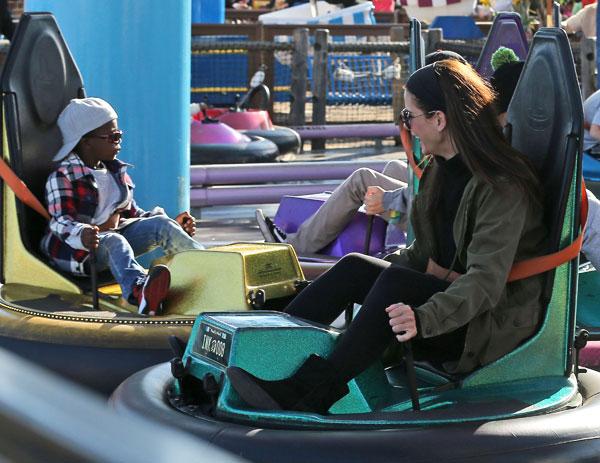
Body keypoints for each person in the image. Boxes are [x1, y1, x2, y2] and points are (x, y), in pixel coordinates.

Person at [227, 59, 548, 413]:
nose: (405, 124)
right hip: (450, 302)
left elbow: (485, 283)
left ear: (439, 120)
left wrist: (424, 318)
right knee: (355, 268)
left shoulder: (502, 187)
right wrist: (376, 276)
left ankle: (311, 392)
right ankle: (261, 352)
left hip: (485, 324)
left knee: (395, 284)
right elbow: (421, 253)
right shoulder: (439, 171)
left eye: (410, 115)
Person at [256, 50, 468, 254]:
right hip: (441, 207)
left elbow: (437, 187)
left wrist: (385, 200)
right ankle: (389, 244)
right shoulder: (466, 121)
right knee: (393, 168)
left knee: (362, 180)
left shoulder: (447, 131)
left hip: (442, 220)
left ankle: (297, 245)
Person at [42, 98, 204, 316]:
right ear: (86, 141)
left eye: (119, 136)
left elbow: (132, 213)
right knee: (114, 241)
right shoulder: (63, 177)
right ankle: (139, 291)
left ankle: (205, 268)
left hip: (111, 238)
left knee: (161, 225)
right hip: (79, 251)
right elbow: (60, 222)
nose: (119, 142)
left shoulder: (115, 172)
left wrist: (174, 225)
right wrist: (83, 234)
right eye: (113, 137)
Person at [490, 47, 600, 271]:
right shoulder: (511, 144)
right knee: (590, 212)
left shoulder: (488, 136)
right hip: (515, 254)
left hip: (506, 242)